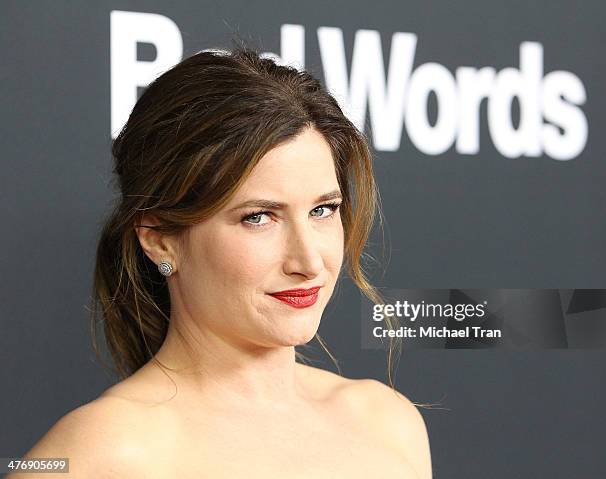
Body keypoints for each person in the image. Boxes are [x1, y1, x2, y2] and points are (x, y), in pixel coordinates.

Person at [16, 44, 432, 478]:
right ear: (159, 239)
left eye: (322, 210)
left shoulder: (388, 424)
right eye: (258, 217)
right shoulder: (102, 453)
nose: (308, 261)